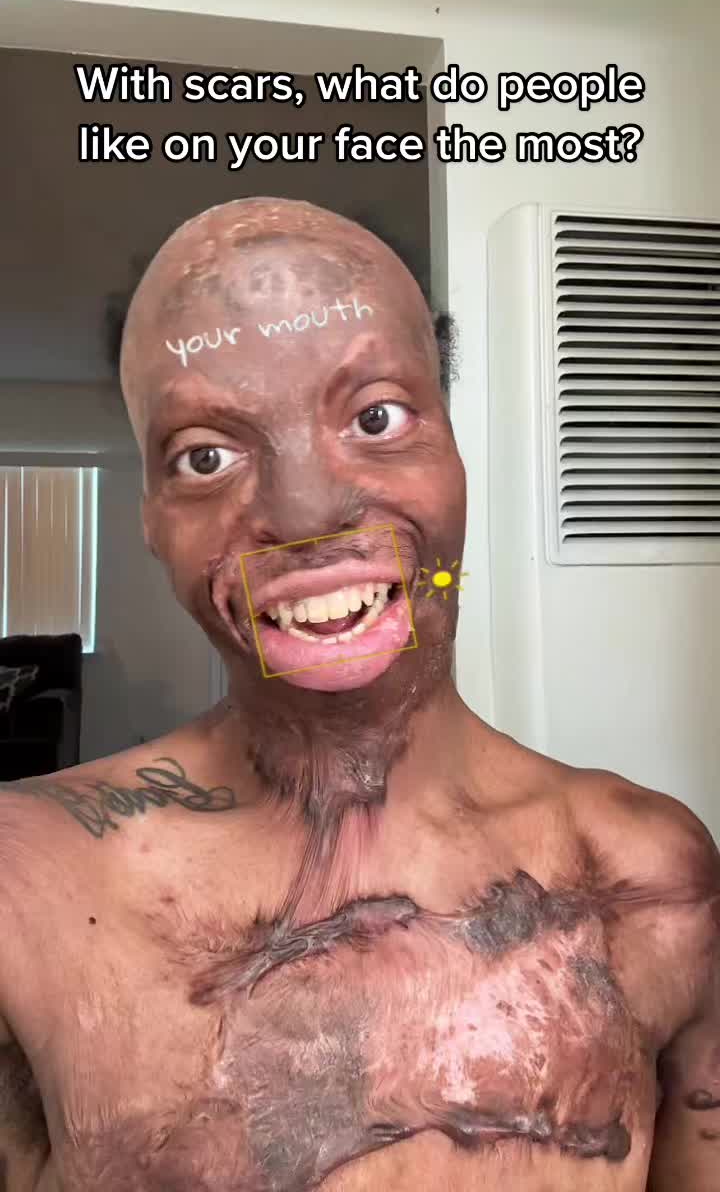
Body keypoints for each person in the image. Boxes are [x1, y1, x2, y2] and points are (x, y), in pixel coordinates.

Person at [0, 196, 718, 1192]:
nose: (307, 511)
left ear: (455, 452)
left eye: (376, 417)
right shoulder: (24, 890)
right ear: (153, 520)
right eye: (206, 455)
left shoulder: (652, 877)